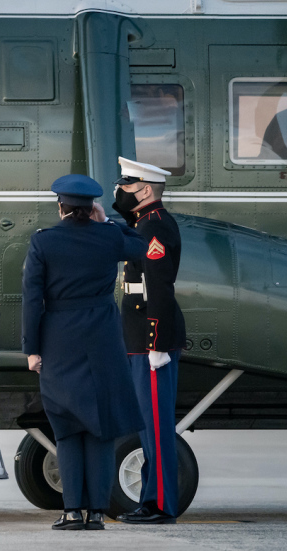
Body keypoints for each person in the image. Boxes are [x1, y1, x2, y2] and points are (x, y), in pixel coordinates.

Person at [22, 174, 146, 531]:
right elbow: (140, 247)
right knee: (101, 427)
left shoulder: (44, 242)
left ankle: (72, 510)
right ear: (90, 206)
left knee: (67, 427)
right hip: (103, 338)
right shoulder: (108, 236)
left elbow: (33, 300)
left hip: (58, 339)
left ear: (60, 206)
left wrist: (32, 350)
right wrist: (107, 221)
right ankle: (96, 513)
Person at [112, 157, 187, 525]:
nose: (119, 191)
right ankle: (150, 499)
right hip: (140, 340)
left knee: (156, 427)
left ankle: (160, 505)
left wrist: (155, 343)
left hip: (150, 342)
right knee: (146, 426)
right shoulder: (142, 224)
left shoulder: (154, 227)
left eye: (125, 186)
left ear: (144, 189)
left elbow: (158, 287)